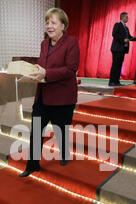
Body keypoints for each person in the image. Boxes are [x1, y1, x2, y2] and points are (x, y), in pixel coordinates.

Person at [19, 8, 79, 178]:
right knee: (36, 132)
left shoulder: (72, 42)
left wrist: (46, 73)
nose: (49, 26)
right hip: (42, 96)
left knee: (61, 131)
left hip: (63, 98)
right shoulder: (44, 43)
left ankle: (64, 153)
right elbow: (42, 65)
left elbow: (70, 69)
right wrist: (33, 71)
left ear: (63, 25)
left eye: (53, 22)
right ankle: (32, 166)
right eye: (47, 22)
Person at [108, 12, 136, 86]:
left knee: (119, 65)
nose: (127, 18)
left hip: (122, 49)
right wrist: (123, 40)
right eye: (126, 17)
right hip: (116, 49)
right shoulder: (117, 25)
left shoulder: (126, 28)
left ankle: (116, 81)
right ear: (122, 17)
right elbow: (114, 34)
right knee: (115, 65)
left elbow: (129, 37)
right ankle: (111, 81)